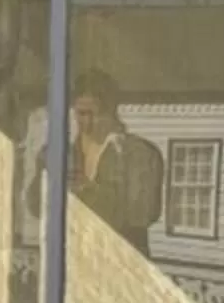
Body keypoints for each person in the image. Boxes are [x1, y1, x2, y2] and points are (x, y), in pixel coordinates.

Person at [68, 71, 164, 256]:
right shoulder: (67, 153)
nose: (86, 124)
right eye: (80, 114)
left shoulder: (140, 154)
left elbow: (141, 214)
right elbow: (36, 207)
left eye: (93, 115)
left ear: (111, 112)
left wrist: (89, 191)